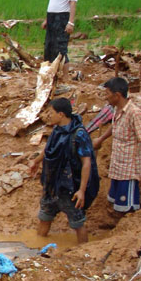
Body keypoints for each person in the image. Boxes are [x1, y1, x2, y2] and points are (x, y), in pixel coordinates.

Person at [29, 98, 96, 244]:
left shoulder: (79, 135)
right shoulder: (56, 130)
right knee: (44, 217)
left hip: (70, 187)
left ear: (60, 114)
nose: (48, 116)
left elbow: (86, 163)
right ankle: (37, 246)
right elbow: (48, 149)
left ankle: (83, 252)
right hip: (52, 185)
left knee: (77, 223)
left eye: (50, 112)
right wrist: (36, 161)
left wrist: (82, 190)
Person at [93, 77, 141, 215]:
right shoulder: (117, 109)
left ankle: (128, 229)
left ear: (117, 95)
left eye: (108, 94)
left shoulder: (134, 113)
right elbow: (114, 126)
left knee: (128, 208)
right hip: (118, 168)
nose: (105, 97)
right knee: (117, 203)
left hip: (129, 171)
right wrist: (101, 139)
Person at [42, 0, 77, 74]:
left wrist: (70, 22)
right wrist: (47, 19)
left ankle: (65, 77)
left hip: (62, 18)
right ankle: (51, 74)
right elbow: (53, 2)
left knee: (61, 48)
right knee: (49, 46)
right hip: (52, 17)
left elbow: (72, 2)